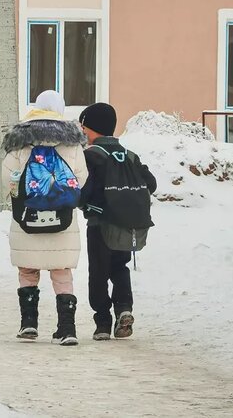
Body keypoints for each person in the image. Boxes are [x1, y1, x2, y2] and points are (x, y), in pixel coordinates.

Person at [0, 90, 88, 346]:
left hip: (28, 215)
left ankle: (29, 324)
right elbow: (80, 177)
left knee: (28, 270)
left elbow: (9, 179)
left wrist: (22, 194)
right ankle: (67, 328)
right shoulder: (72, 142)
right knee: (62, 272)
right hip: (62, 216)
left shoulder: (19, 140)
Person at [78, 102, 156, 341]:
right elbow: (150, 184)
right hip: (128, 226)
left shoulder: (91, 156)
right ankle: (124, 308)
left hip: (101, 224)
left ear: (90, 128)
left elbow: (84, 189)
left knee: (98, 273)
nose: (81, 131)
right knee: (119, 268)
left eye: (83, 126)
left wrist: (82, 203)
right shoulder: (130, 156)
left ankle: (102, 322)